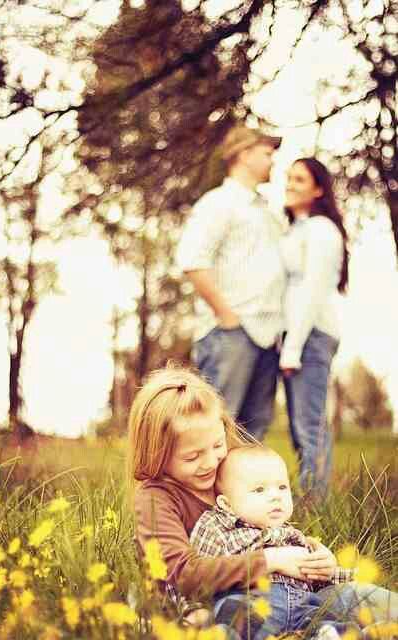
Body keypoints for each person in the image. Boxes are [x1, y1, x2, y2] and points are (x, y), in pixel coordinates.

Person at [127, 365, 340, 635]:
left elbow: (269, 528)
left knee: (372, 603)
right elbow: (183, 574)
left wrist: (315, 555)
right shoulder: (156, 499)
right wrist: (271, 560)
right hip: (219, 606)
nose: (210, 463)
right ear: (157, 454)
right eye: (192, 457)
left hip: (285, 591)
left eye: (217, 445)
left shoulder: (228, 470)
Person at [190, 445, 398, 638]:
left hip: (303, 605)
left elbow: (318, 575)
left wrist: (334, 570)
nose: (276, 497)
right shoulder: (218, 526)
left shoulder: (293, 535)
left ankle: (348, 633)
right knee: (234, 617)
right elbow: (198, 574)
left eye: (282, 487)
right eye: (259, 490)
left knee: (326, 622)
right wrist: (193, 609)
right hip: (251, 600)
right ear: (226, 503)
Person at [176, 124, 285, 439]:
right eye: (267, 154)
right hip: (231, 334)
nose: (272, 161)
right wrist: (227, 316)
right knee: (214, 429)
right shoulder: (218, 203)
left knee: (253, 432)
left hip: (267, 336)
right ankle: (198, 491)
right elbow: (193, 260)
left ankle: (240, 491)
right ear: (244, 154)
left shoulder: (266, 210)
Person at [278, 158, 350, 496]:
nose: (290, 184)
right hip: (297, 337)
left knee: (310, 427)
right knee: (299, 429)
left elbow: (312, 289)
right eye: (289, 177)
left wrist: (293, 346)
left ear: (318, 189)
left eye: (300, 179)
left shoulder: (322, 230)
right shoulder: (297, 229)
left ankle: (315, 508)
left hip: (311, 337)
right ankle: (308, 498)